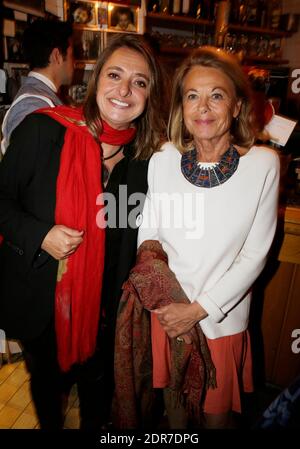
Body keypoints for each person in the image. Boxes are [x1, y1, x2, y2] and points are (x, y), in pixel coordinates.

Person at [0, 34, 165, 429]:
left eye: (140, 82)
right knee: (47, 388)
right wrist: (41, 233)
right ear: (96, 80)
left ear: (149, 94)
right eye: (115, 75)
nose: (125, 90)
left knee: (99, 395)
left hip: (108, 311)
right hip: (42, 301)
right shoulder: (44, 132)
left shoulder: (146, 162)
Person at [138, 46, 280, 428]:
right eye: (192, 96)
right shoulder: (163, 159)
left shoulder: (263, 164)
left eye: (216, 95)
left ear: (236, 106)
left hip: (220, 319)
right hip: (167, 315)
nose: (203, 107)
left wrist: (197, 310)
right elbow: (148, 235)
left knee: (217, 421)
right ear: (181, 107)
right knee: (176, 418)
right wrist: (168, 305)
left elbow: (255, 255)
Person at [1, 19, 74, 155]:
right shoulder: (33, 106)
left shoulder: (41, 98)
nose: (74, 63)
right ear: (57, 56)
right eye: (72, 55)